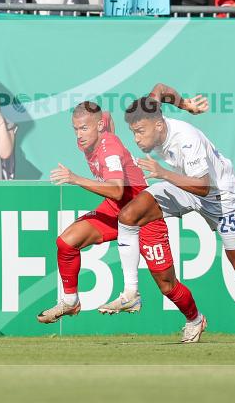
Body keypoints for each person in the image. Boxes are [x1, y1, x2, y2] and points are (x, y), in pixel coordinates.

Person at [108, 90, 235, 345]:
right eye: (134, 132)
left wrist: (163, 173)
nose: (137, 139)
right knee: (129, 216)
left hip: (219, 197)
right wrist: (186, 104)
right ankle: (131, 292)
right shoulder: (154, 113)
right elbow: (160, 89)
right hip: (185, 186)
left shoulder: (186, 140)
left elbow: (203, 186)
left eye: (140, 131)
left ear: (158, 125)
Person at [39, 101, 199, 329]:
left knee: (167, 285)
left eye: (84, 128)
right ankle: (70, 302)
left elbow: (116, 189)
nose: (79, 135)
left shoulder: (109, 149)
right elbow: (107, 117)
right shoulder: (92, 137)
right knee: (66, 243)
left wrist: (75, 178)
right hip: (117, 210)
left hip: (144, 214)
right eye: (75, 129)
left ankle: (195, 319)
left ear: (98, 126)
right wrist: (100, 124)